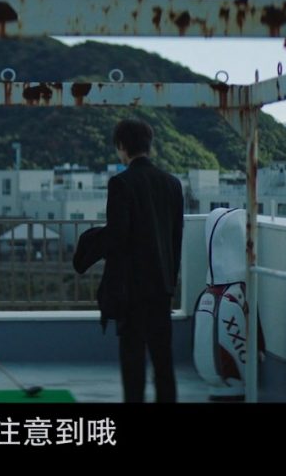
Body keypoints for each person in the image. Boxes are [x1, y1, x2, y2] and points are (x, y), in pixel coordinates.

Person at [101, 119, 183, 403]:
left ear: (122, 146)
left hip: (132, 289)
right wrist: (170, 281)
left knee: (133, 361)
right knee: (163, 361)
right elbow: (175, 239)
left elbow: (117, 240)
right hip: (162, 286)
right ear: (149, 145)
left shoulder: (120, 183)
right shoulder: (172, 184)